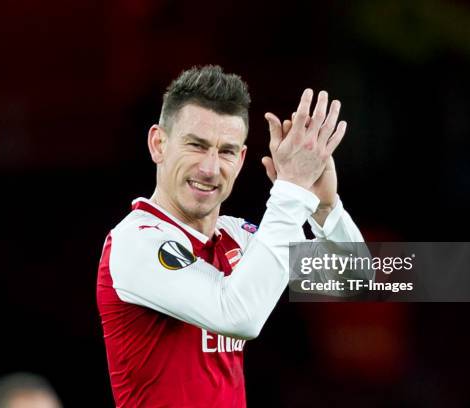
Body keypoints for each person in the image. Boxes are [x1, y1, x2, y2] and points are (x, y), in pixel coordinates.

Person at [97, 65, 364, 407]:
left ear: (240, 160)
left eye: (225, 151)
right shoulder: (135, 242)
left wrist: (325, 208)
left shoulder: (238, 238)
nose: (209, 168)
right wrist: (292, 192)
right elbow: (238, 315)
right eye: (196, 145)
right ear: (158, 144)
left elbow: (354, 282)